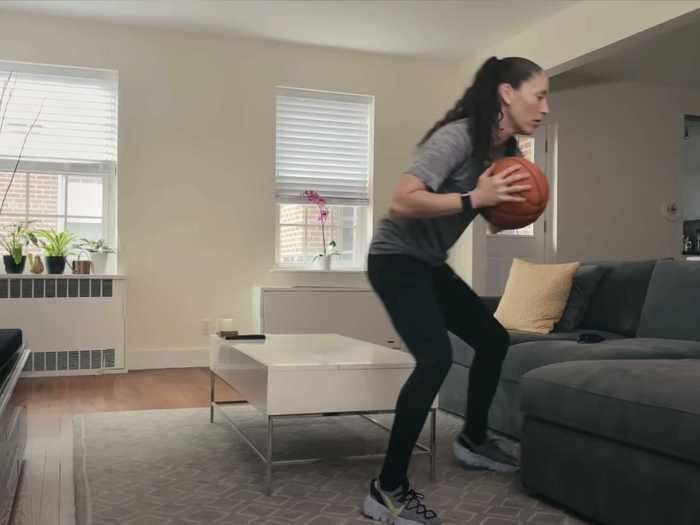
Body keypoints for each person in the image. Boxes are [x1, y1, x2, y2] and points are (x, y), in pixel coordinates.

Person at [362, 56, 550, 525]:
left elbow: (495, 207)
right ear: (507, 93)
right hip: (394, 260)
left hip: (427, 264)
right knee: (435, 359)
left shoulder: (504, 152)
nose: (546, 107)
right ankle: (386, 490)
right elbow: (403, 199)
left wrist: (509, 206)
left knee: (492, 339)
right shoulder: (459, 136)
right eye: (540, 95)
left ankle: (472, 439)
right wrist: (474, 199)